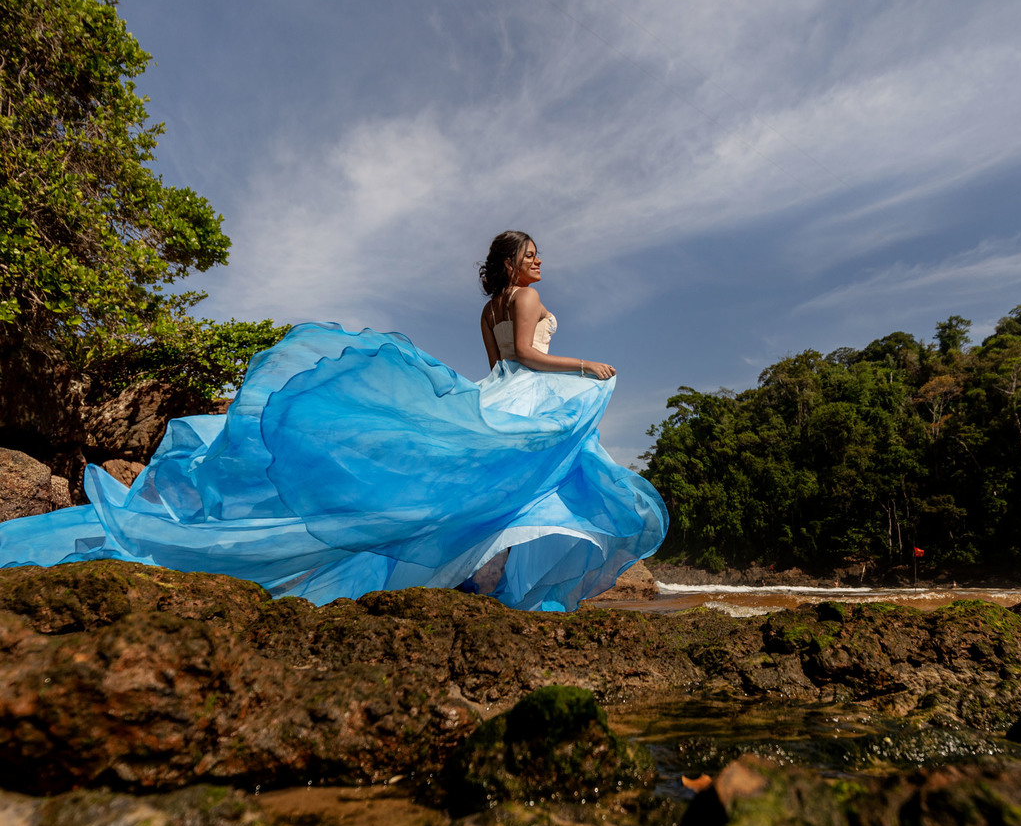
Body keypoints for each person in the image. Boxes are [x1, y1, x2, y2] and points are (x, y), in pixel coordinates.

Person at [0, 230, 667, 613]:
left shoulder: (489, 305)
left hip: (495, 393)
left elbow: (495, 362)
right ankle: (499, 582)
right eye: (533, 254)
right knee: (535, 485)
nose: (540, 262)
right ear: (515, 263)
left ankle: (476, 576)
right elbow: (524, 357)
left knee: (484, 490)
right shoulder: (527, 299)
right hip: (529, 391)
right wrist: (587, 369)